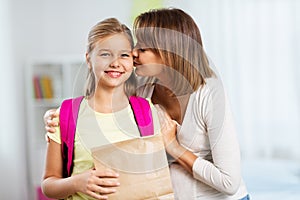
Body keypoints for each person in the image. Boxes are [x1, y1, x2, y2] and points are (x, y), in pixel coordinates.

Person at [44, 8, 250, 200]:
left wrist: (174, 148)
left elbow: (229, 182)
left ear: (167, 53)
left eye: (141, 47)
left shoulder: (209, 94)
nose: (133, 54)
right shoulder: (143, 90)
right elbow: (103, 98)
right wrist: (58, 116)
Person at [41, 18, 161, 200]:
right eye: (105, 54)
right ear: (89, 59)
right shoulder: (64, 115)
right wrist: (77, 182)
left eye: (124, 55)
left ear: (132, 61)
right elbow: (49, 184)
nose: (115, 63)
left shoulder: (147, 111)